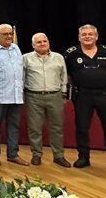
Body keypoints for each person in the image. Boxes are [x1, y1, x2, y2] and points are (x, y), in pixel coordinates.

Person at [65, 24, 106, 173]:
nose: (87, 36)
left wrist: (101, 81)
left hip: (105, 94)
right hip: (83, 95)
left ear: (96, 36)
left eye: (90, 34)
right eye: (84, 34)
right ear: (79, 37)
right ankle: (83, 158)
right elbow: (67, 74)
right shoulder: (71, 53)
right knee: (82, 127)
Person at [0, 23, 28, 166]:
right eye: (5, 34)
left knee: (14, 126)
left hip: (16, 95)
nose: (9, 36)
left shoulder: (16, 48)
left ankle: (13, 154)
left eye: (10, 33)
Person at [23, 33, 70, 167]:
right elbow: (22, 77)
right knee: (34, 128)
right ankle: (36, 155)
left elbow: (63, 76)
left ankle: (59, 156)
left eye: (45, 41)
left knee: (57, 127)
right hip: (33, 96)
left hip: (55, 95)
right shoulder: (26, 58)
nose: (42, 43)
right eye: (39, 42)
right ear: (33, 45)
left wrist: (63, 93)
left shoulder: (59, 57)